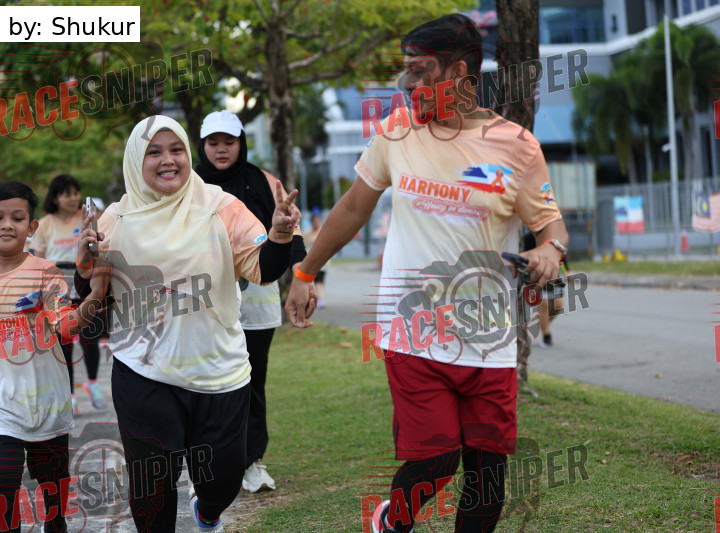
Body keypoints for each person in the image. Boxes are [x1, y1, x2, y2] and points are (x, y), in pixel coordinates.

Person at [286, 14, 568, 533]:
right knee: (436, 460)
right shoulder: (397, 132)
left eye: (420, 70)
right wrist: (304, 274)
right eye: (407, 70)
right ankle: (392, 520)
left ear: (458, 72)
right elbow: (352, 208)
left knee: (487, 478)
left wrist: (552, 252)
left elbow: (551, 227)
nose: (408, 82)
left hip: (488, 340)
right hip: (413, 332)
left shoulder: (517, 146)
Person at [74, 115, 300, 533]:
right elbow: (92, 297)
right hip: (144, 372)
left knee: (222, 481)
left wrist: (280, 235)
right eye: (154, 152)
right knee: (152, 491)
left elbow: (264, 269)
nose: (168, 160)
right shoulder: (114, 221)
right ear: (135, 161)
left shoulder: (221, 207)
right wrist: (85, 260)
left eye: (176, 150)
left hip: (218, 370)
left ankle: (208, 512)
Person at [0, 180, 105, 533]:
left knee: (54, 500)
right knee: (1, 489)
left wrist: (94, 296)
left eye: (18, 218)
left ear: (32, 227)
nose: (7, 225)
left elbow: (66, 327)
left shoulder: (46, 273)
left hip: (47, 403)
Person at [195, 109, 307, 493]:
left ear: (241, 143)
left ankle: (252, 462)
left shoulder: (264, 181)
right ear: (201, 145)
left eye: (229, 141)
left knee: (252, 381)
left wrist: (304, 278)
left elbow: (292, 231)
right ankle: (205, 466)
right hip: (205, 300)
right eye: (213, 142)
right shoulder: (189, 185)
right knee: (206, 382)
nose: (221, 149)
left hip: (257, 297)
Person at [31, 174, 106, 412]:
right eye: (67, 194)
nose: (74, 198)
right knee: (65, 342)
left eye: (76, 193)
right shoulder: (45, 225)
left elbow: (99, 249)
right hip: (57, 288)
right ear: (55, 198)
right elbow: (37, 260)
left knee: (90, 336)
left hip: (85, 282)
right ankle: (70, 394)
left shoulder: (88, 219)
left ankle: (92, 383)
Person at [302, 212, 327, 308]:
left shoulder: (324, 232)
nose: (316, 223)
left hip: (322, 261)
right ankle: (314, 298)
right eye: (314, 221)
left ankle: (320, 299)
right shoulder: (308, 234)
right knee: (311, 281)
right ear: (312, 222)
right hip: (311, 260)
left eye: (318, 221)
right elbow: (304, 246)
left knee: (319, 280)